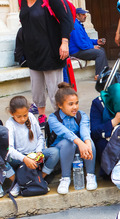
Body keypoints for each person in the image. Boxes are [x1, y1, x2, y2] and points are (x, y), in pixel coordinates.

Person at [19, 0, 74, 128]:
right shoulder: (22, 2)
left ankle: (60, 117)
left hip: (50, 52)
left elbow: (67, 20)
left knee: (55, 89)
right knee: (36, 89)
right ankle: (42, 116)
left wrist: (65, 42)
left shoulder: (50, 1)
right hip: (32, 53)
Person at [48, 82, 97, 194]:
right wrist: (81, 143)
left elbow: (85, 130)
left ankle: (90, 175)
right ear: (60, 105)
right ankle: (65, 178)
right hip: (62, 149)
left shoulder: (81, 115)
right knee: (68, 142)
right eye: (70, 104)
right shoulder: (53, 118)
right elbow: (65, 133)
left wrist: (87, 143)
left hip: (80, 149)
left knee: (90, 142)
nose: (75, 107)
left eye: (76, 103)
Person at [5, 96, 59, 185]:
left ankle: (40, 178)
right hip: (21, 158)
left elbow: (40, 137)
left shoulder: (31, 117)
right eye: (19, 116)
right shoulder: (10, 124)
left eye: (25, 115)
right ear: (11, 113)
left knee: (55, 152)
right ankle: (17, 183)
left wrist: (39, 151)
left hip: (35, 155)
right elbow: (10, 149)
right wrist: (24, 159)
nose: (23, 119)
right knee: (4, 159)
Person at [69, 8, 108, 80]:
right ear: (77, 15)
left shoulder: (78, 24)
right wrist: (92, 47)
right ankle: (99, 75)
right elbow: (80, 43)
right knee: (99, 53)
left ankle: (105, 73)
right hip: (76, 52)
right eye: (83, 14)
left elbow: (86, 40)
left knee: (101, 49)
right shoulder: (75, 25)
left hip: (81, 49)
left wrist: (96, 42)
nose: (85, 16)